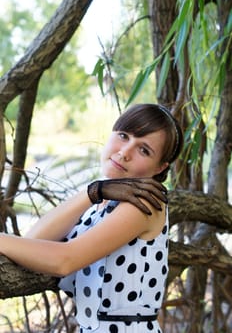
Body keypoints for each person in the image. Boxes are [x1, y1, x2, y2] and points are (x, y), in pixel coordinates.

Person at [0, 103, 183, 333]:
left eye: (144, 150)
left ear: (160, 167)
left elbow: (64, 261)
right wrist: (94, 191)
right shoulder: (102, 200)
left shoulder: (144, 203)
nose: (125, 152)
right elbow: (33, 239)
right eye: (123, 136)